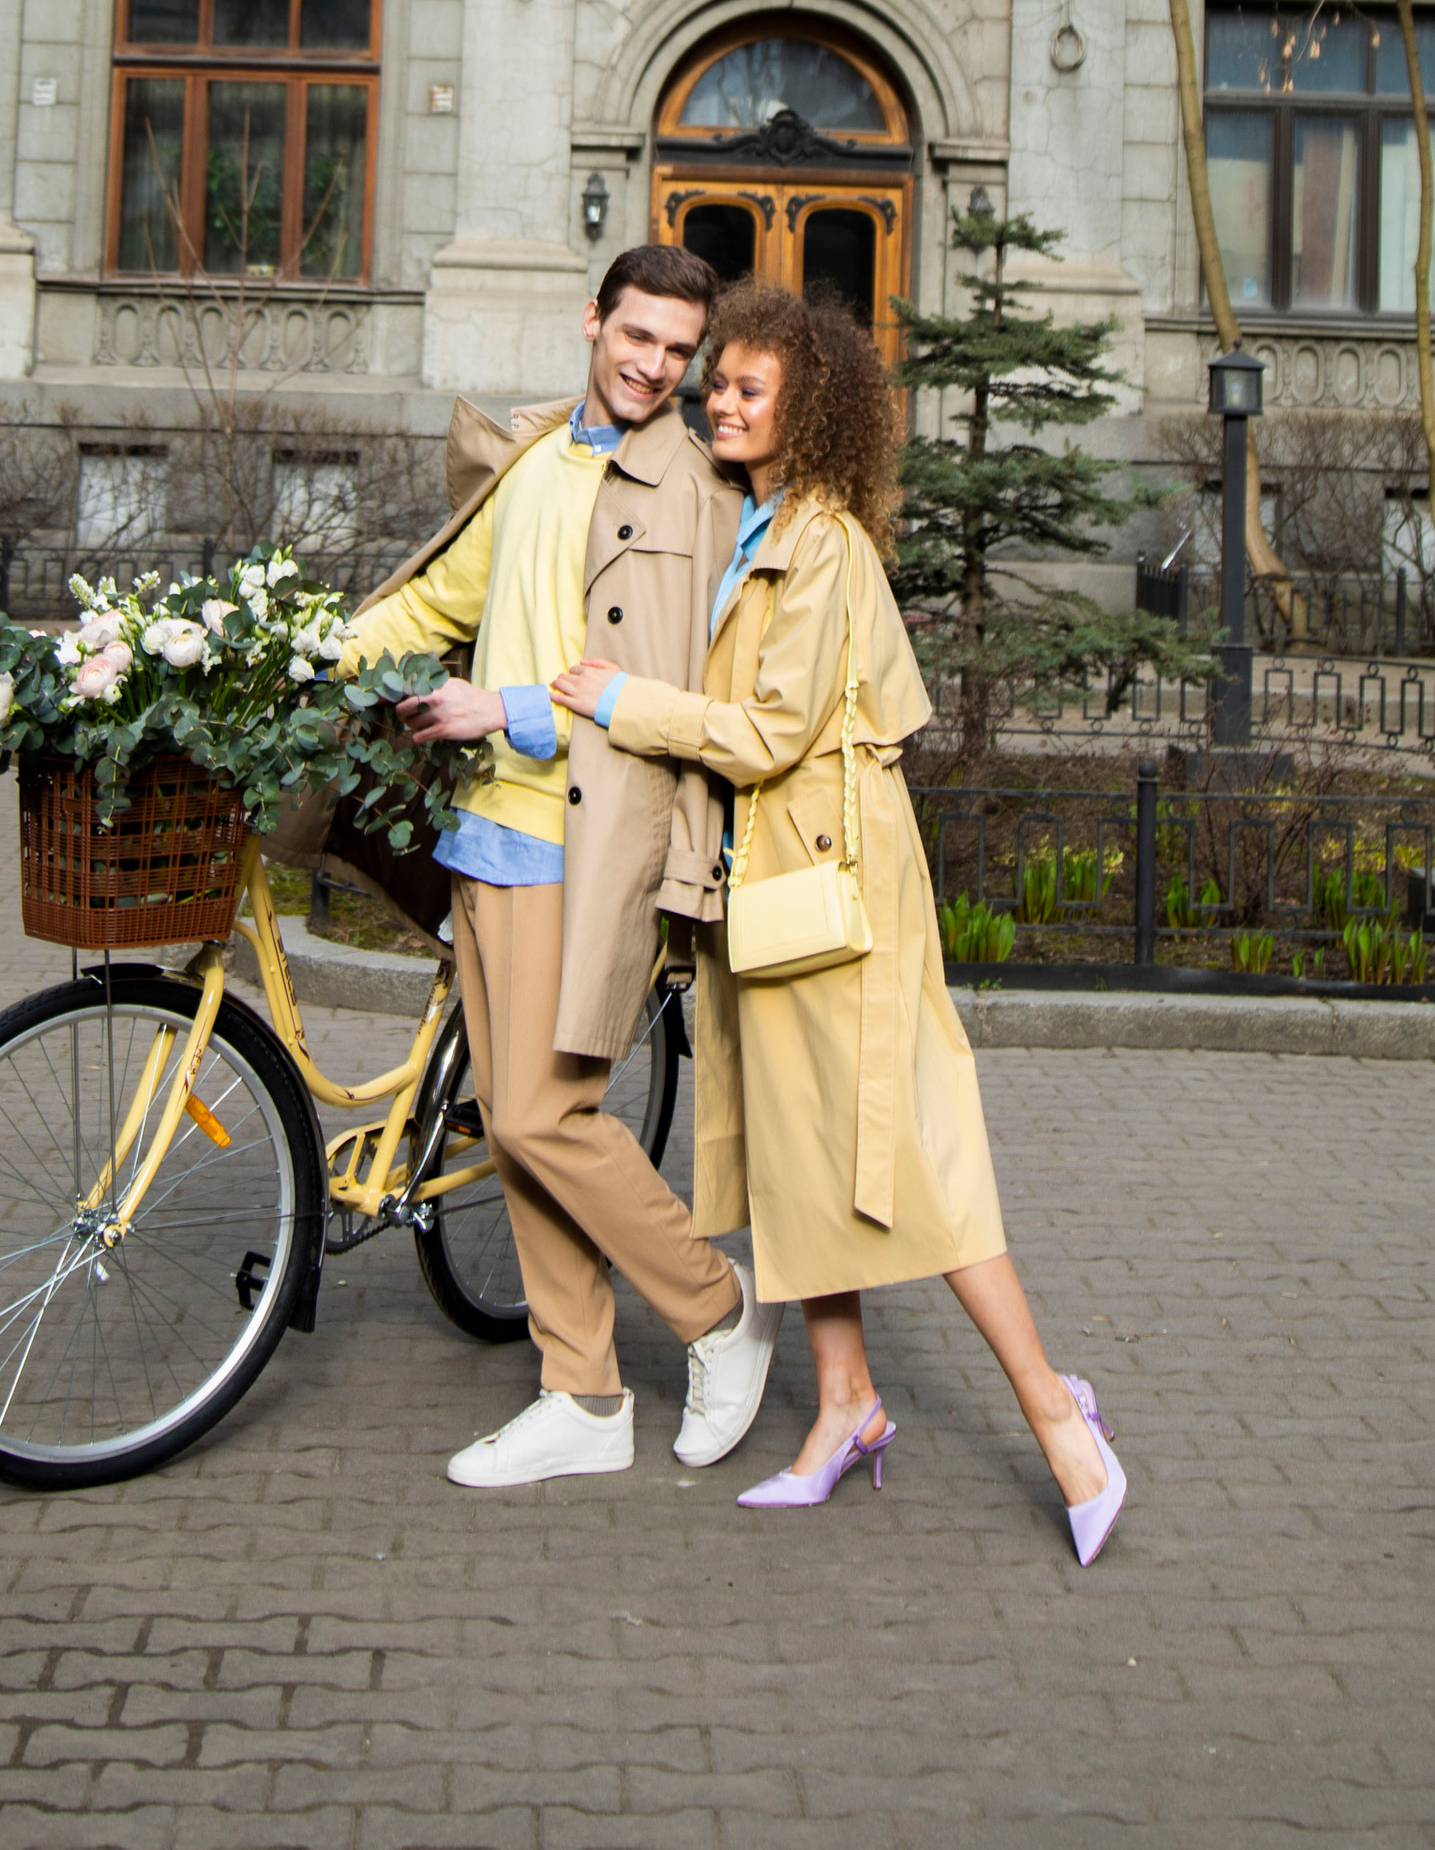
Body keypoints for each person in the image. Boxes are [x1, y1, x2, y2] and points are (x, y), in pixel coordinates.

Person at [551, 278, 1127, 1565]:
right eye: (723, 382)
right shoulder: (759, 524)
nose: (721, 398)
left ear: (805, 412)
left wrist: (617, 702)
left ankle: (1058, 1417)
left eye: (750, 388)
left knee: (909, 1162)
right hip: (770, 891)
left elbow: (768, 734)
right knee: (795, 1168)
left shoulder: (820, 542)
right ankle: (846, 1408)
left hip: (835, 894)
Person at [339, 242, 781, 1489]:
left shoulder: (691, 489)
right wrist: (309, 652)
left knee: (541, 1114)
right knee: (520, 1126)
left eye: (678, 350)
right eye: (636, 335)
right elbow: (436, 606)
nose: (654, 365)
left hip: (583, 841)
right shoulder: (536, 458)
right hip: (487, 834)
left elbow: (674, 694)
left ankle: (717, 1305)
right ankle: (581, 1391)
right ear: (593, 321)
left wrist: (510, 711)